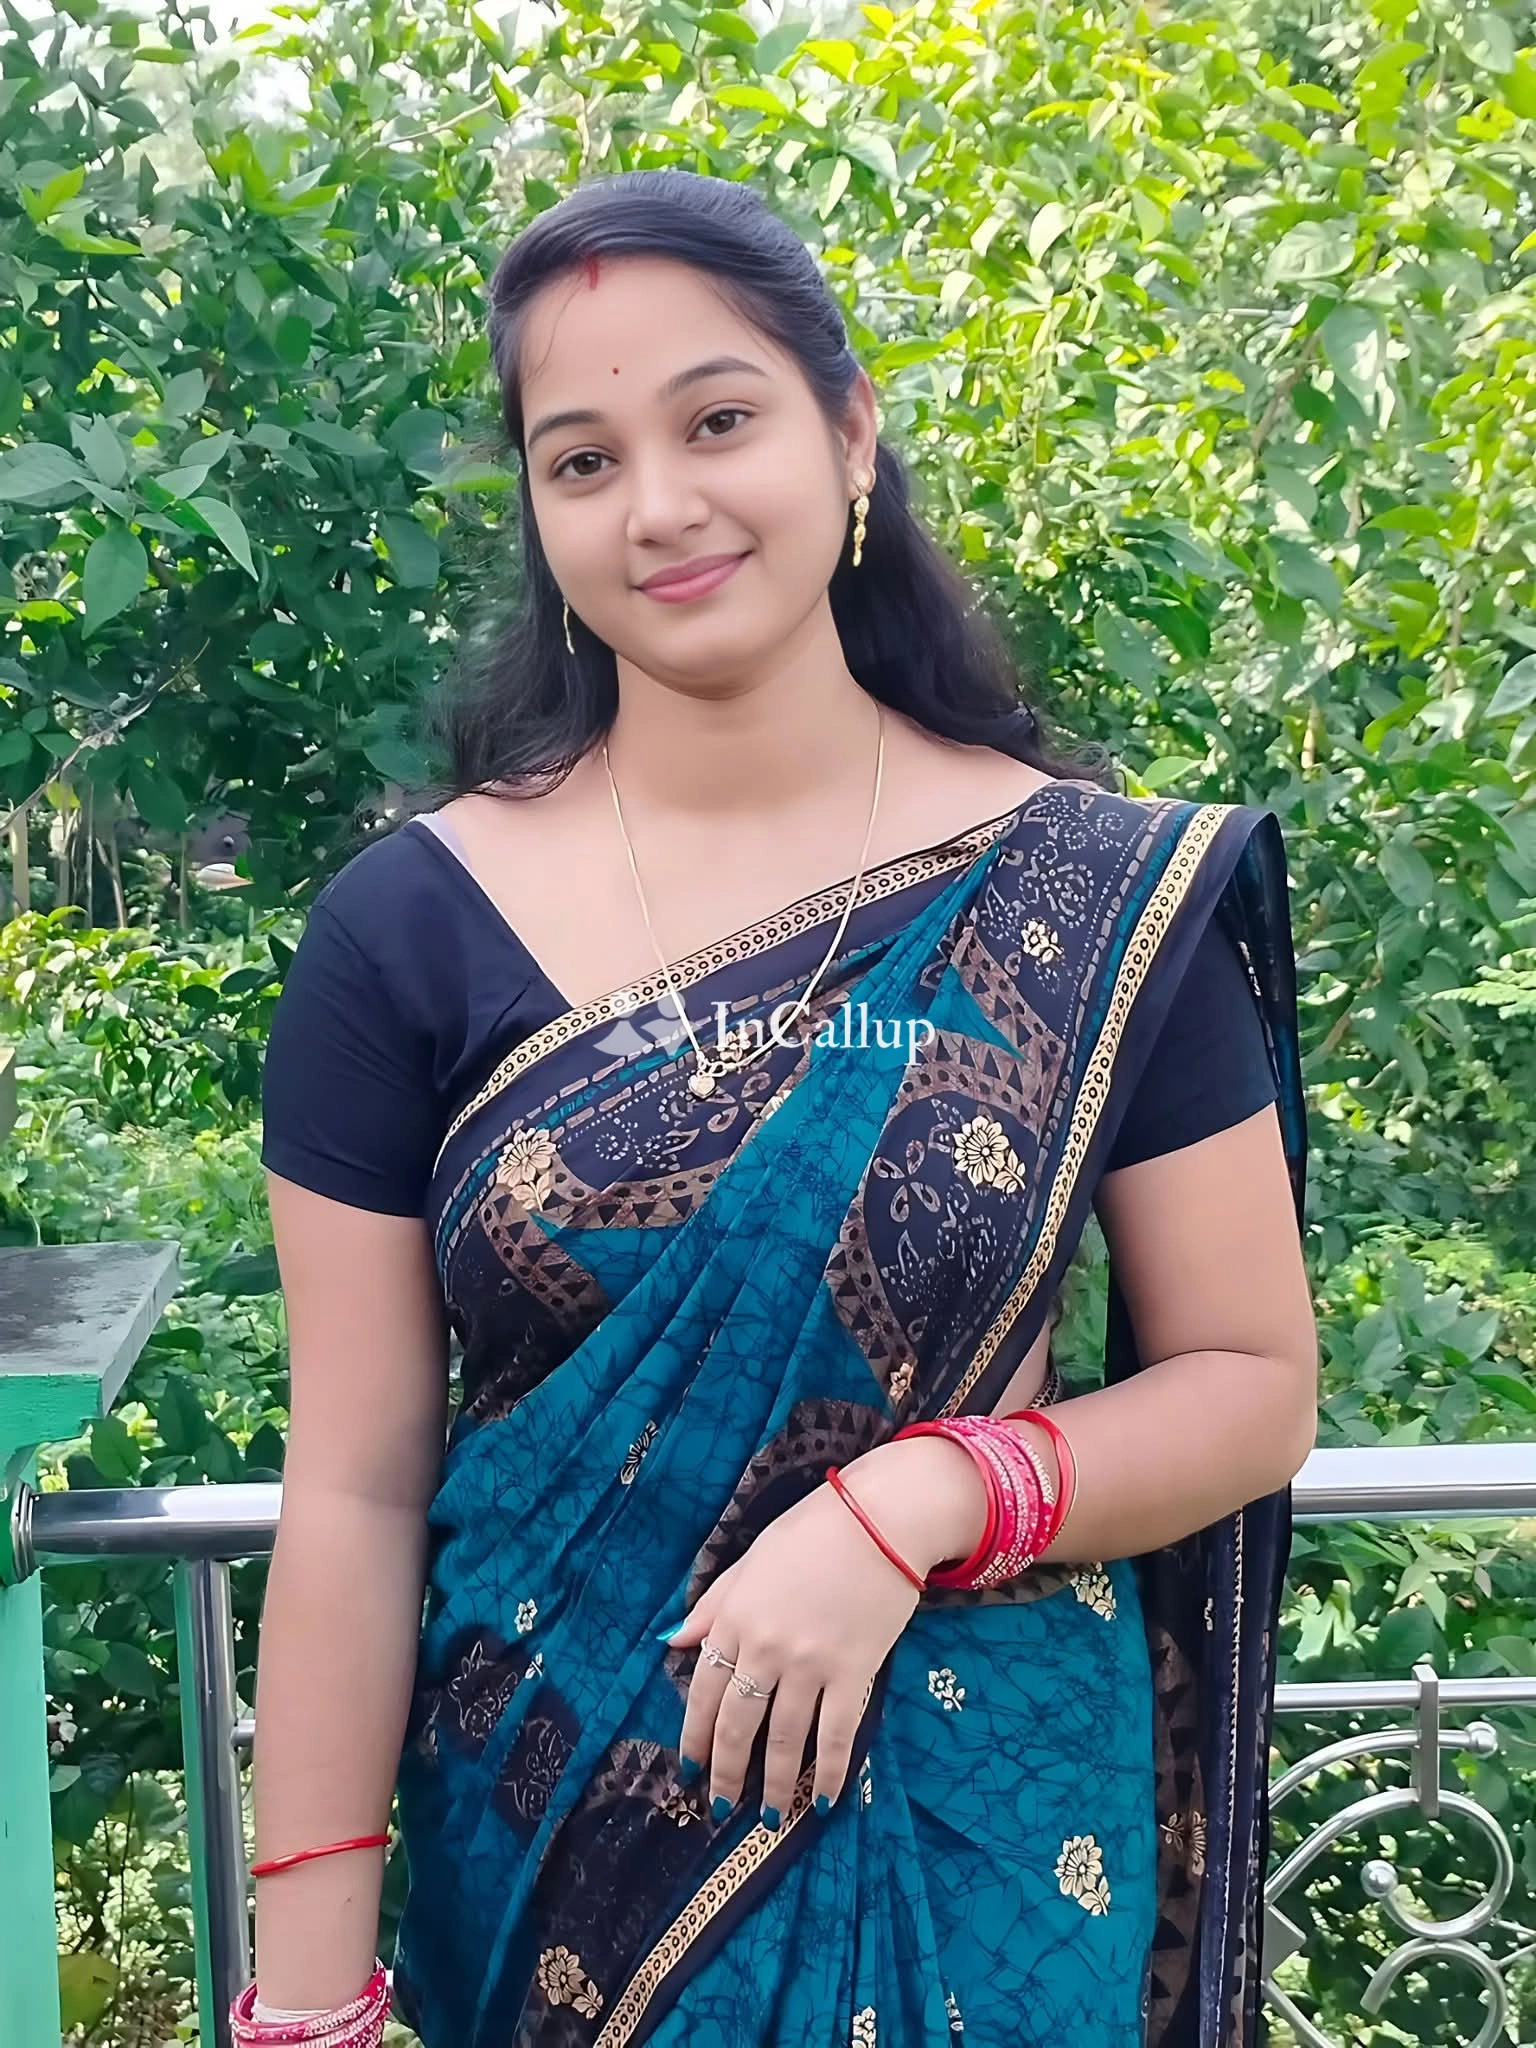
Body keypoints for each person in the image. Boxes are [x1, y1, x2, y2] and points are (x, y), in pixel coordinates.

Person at [245, 168, 1316, 2048]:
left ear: (849, 433)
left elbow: (1252, 1381)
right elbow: (353, 1487)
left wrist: (916, 1501)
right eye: (583, 461)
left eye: (719, 420)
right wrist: (306, 2007)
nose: (659, 505)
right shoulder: (408, 930)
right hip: (552, 1859)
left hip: (984, 1845)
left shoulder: (1080, 893)